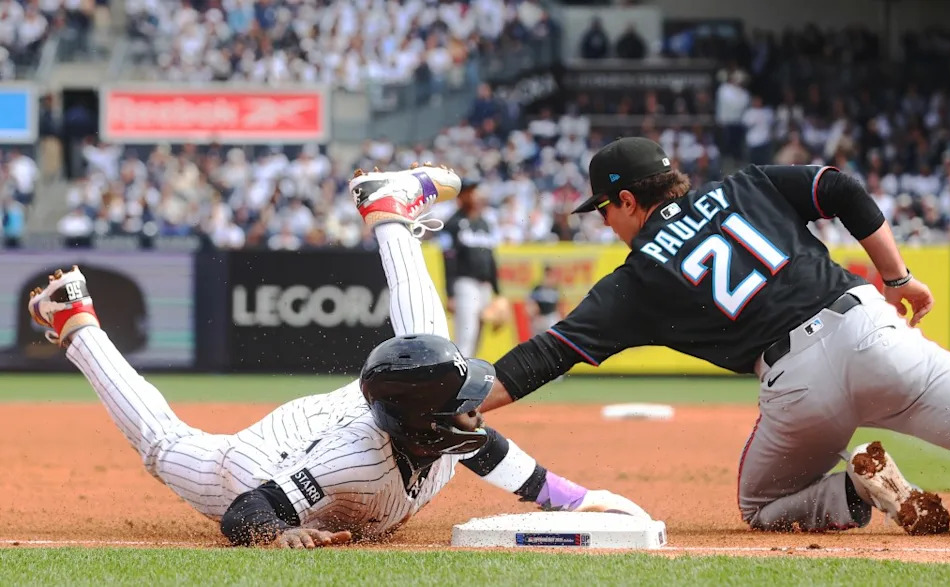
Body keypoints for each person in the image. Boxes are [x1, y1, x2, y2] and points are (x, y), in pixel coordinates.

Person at [28, 165, 651, 549]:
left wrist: (570, 499)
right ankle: (74, 321)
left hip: (340, 417)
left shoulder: (434, 426)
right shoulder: (353, 466)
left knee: (434, 343)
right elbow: (246, 514)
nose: (474, 414)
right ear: (421, 428)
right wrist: (279, 532)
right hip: (257, 467)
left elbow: (491, 451)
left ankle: (388, 210)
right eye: (459, 412)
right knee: (165, 445)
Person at [477, 137, 950, 536]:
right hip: (872, 332)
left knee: (762, 506)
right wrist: (897, 279)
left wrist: (464, 405)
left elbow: (551, 351)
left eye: (603, 209)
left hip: (799, 385)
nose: (604, 221)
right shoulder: (746, 185)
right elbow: (838, 186)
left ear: (627, 200)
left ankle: (850, 490)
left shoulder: (640, 275)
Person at [437, 175, 501, 357]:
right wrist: (450, 294)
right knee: (466, 334)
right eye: (470, 191)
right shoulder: (452, 225)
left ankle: (470, 376)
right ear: (461, 196)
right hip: (464, 283)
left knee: (478, 335)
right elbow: (448, 259)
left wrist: (498, 291)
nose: (475, 195)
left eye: (476, 191)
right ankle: (460, 377)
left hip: (485, 285)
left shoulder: (485, 223)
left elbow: (491, 258)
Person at [528, 264, 561, 336]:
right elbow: (531, 303)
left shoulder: (555, 288)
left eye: (550, 275)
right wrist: (534, 314)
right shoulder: (538, 288)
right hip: (540, 317)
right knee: (537, 339)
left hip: (551, 317)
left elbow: (558, 305)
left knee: (554, 337)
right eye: (547, 275)